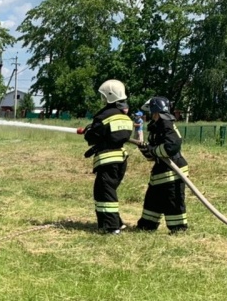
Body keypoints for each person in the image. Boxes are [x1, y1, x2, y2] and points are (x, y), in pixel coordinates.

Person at [80, 79, 134, 234]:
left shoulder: (104, 116)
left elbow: (92, 138)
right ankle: (115, 222)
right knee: (106, 191)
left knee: (105, 192)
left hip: (108, 160)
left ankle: (111, 227)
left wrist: (89, 131)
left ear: (110, 96)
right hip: (121, 160)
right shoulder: (125, 117)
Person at [136, 96, 189, 233]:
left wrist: (153, 150)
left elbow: (172, 146)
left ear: (156, 112)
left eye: (152, 113)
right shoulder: (158, 126)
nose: (151, 116)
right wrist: (147, 151)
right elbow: (155, 152)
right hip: (162, 170)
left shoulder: (166, 124)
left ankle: (178, 229)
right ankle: (147, 225)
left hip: (173, 170)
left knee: (172, 201)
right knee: (153, 199)